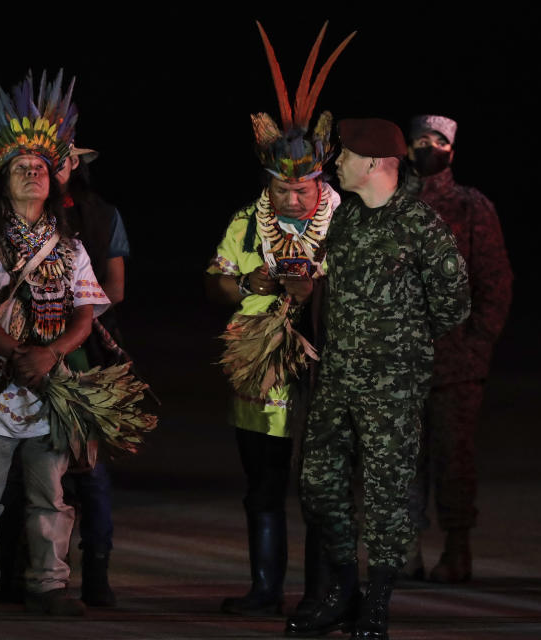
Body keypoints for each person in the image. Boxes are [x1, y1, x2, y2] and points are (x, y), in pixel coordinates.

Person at [286, 118, 470, 639]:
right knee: (318, 484)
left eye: (343, 155)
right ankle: (343, 590)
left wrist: (401, 347)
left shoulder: (419, 223)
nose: (335, 163)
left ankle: (378, 603)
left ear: (372, 164)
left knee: (388, 496)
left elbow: (455, 302)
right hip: (338, 380)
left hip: (392, 387)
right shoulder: (345, 223)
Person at [0, 70, 109, 617]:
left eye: (39, 167)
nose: (33, 174)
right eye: (21, 168)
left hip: (48, 388)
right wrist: (17, 353)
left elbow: (86, 313)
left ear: (53, 180)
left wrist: (51, 354)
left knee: (51, 500)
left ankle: (49, 585)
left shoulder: (72, 245)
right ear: (3, 181)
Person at [206, 21, 353, 617]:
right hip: (260, 376)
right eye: (281, 190)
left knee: (321, 487)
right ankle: (265, 588)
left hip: (325, 375)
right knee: (263, 485)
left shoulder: (345, 224)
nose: (293, 199)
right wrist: (248, 284)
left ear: (321, 179)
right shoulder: (246, 222)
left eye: (304, 189)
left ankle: (320, 593)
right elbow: (215, 280)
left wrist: (316, 286)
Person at [0, 146, 130, 607]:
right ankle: (11, 572)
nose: (54, 168)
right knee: (15, 469)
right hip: (19, 352)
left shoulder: (100, 215)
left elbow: (113, 288)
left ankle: (96, 570)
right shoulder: (4, 221)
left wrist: (70, 326)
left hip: (82, 353)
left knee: (86, 469)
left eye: (64, 159)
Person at [401, 115, 513, 583]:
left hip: (455, 360)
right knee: (398, 458)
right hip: (397, 357)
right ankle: (402, 550)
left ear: (453, 151)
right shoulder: (388, 205)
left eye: (438, 141)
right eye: (420, 140)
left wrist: (478, 342)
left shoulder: (471, 207)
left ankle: (457, 547)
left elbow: (495, 280)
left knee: (453, 455)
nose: (428, 147)